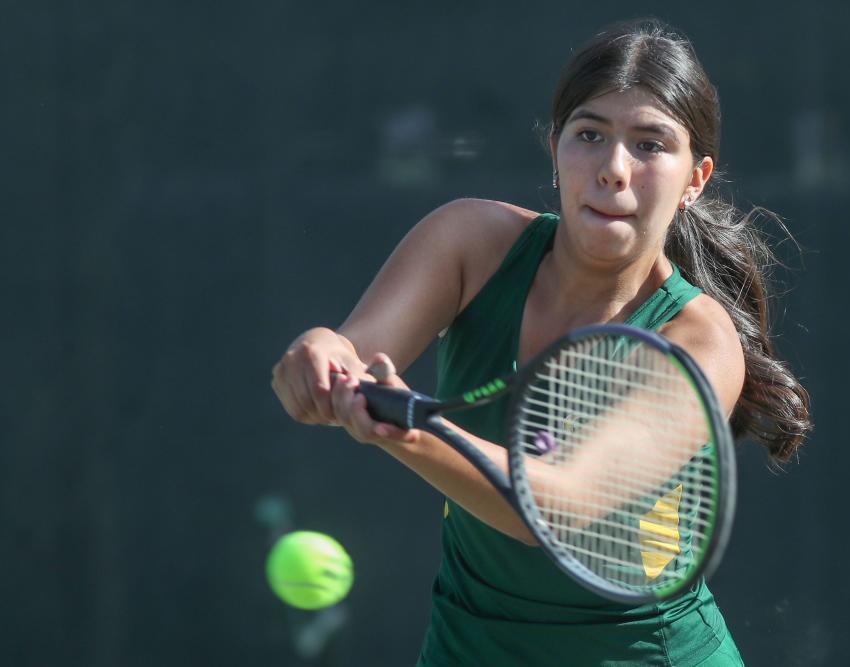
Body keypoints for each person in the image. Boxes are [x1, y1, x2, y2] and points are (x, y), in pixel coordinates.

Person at [271, 18, 812, 666]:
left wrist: (409, 428)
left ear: (695, 179)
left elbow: (564, 507)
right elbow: (351, 352)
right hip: (467, 646)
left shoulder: (699, 343)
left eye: (649, 145)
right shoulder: (470, 242)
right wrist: (321, 353)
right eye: (590, 135)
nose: (614, 168)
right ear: (555, 148)